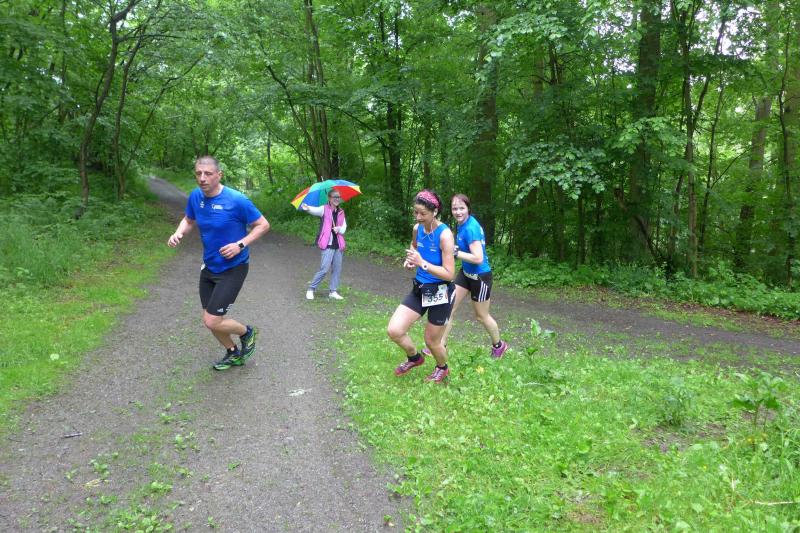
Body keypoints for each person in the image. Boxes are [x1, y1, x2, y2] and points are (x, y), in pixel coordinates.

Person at [167, 156, 270, 370]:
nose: (202, 178)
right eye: (198, 173)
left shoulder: (237, 200)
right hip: (210, 265)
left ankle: (247, 332)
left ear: (219, 175)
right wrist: (179, 233)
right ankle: (233, 353)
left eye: (208, 173)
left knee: (212, 320)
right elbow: (189, 219)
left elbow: (263, 225)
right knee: (210, 318)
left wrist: (240, 244)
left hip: (233, 268)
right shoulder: (196, 196)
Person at [387, 190, 456, 384]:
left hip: (440, 291)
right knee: (394, 330)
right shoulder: (417, 228)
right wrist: (411, 259)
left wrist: (422, 263)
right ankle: (414, 358)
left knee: (432, 341)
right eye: (415, 212)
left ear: (435, 212)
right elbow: (414, 246)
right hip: (420, 288)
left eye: (423, 213)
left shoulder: (445, 235)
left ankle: (442, 368)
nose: (418, 217)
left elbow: (449, 274)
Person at [441, 193, 508, 358]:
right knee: (447, 307)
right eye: (455, 209)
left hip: (480, 277)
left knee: (481, 316)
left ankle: (499, 346)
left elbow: (478, 258)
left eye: (461, 208)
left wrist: (455, 252)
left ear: (468, 209)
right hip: (465, 274)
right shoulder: (463, 224)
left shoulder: (470, 228)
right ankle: (440, 345)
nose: (458, 212)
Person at [301, 189, 347, 300]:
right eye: (335, 197)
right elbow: (314, 210)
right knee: (324, 269)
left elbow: (344, 227)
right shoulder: (324, 209)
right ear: (329, 198)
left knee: (337, 269)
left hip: (338, 245)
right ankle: (311, 289)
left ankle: (333, 291)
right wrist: (307, 208)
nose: (337, 199)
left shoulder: (341, 212)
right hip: (327, 244)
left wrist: (339, 229)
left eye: (338, 197)